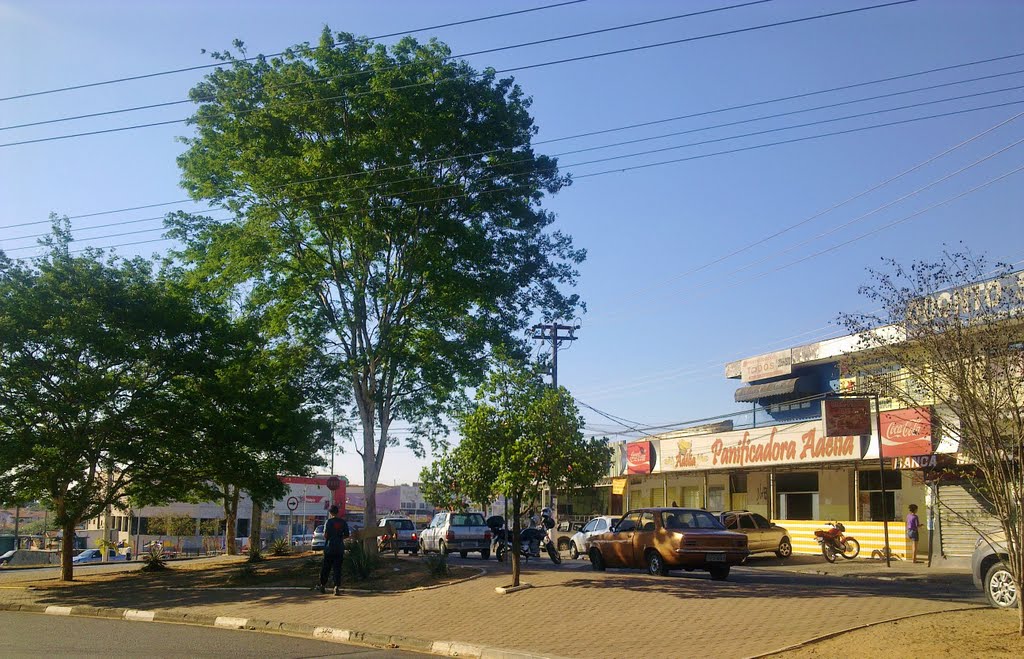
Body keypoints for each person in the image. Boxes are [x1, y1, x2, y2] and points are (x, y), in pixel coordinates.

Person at [318, 505, 349, 595]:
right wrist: (339, 538)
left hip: (329, 548)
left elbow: (326, 535)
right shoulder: (343, 522)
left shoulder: (328, 522)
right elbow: (346, 534)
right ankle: (336, 587)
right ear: (337, 512)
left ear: (330, 513)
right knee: (337, 568)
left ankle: (322, 585)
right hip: (339, 548)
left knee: (326, 568)